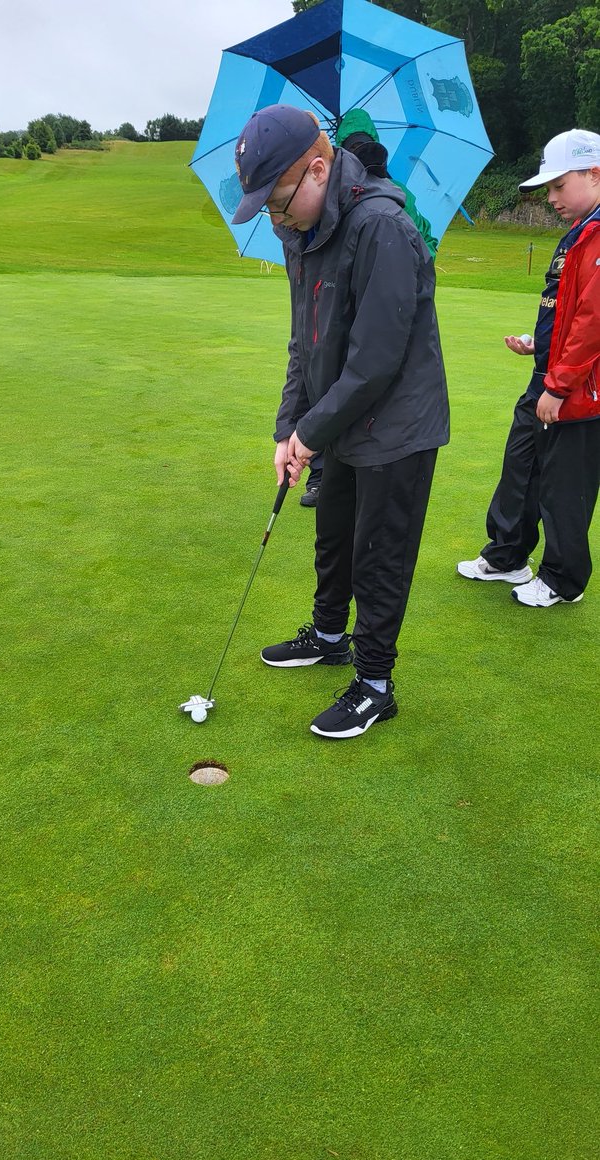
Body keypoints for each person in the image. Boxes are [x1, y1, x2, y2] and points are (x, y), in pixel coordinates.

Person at [232, 104, 449, 739]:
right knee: (333, 537)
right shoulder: (302, 236)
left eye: (277, 202)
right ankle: (329, 636)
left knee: (380, 555)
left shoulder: (382, 226)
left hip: (398, 424)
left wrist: (309, 433)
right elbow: (306, 343)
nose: (275, 218)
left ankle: (375, 684)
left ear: (319, 170)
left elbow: (376, 361)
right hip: (343, 420)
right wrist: (286, 429)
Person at [457, 128, 600, 607]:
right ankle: (507, 556)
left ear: (594, 173)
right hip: (550, 375)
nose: (552, 196)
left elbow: (593, 322)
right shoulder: (579, 234)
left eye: (560, 185)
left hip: (580, 389)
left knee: (564, 484)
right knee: (521, 464)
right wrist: (536, 345)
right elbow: (565, 311)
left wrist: (558, 384)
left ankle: (563, 580)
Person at [296, 110, 438, 509]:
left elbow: (376, 355)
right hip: (347, 395)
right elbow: (304, 342)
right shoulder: (318, 218)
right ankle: (323, 472)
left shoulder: (387, 208)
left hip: (391, 415)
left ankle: (321, 470)